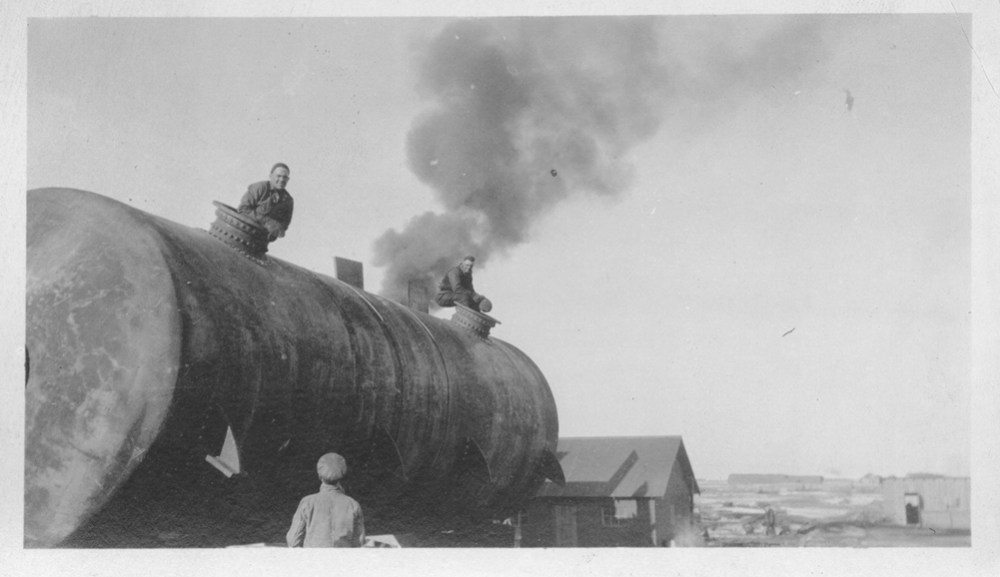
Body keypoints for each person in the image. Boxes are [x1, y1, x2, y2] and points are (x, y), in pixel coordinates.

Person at [286, 453, 365, 548]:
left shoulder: (307, 502)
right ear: (343, 474)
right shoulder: (353, 504)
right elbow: (359, 543)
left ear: (319, 475)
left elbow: (293, 541)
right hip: (343, 561)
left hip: (314, 561)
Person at [238, 163, 294, 242]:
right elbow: (243, 209)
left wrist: (277, 229)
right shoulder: (259, 188)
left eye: (285, 177)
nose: (281, 180)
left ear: (288, 179)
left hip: (262, 241)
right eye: (278, 176)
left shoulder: (288, 200)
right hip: (243, 234)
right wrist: (267, 221)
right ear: (271, 176)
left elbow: (284, 225)